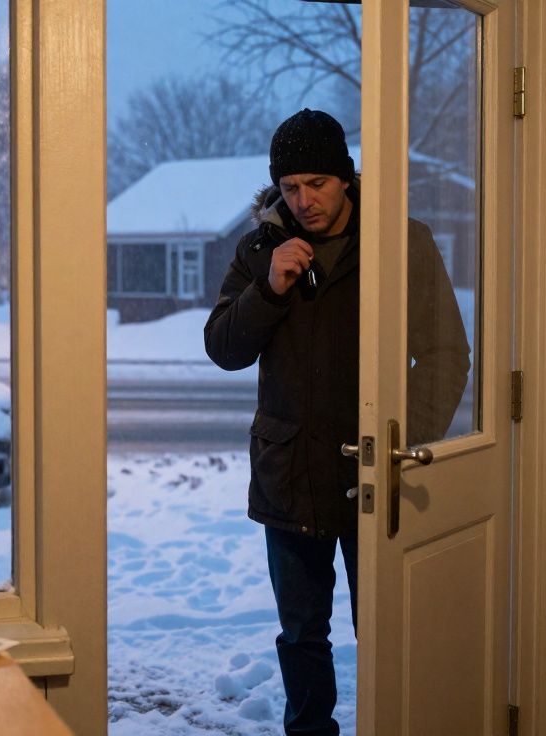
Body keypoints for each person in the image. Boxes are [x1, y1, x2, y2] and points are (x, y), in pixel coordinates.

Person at [204, 108, 469, 735]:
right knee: (300, 632)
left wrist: (404, 440)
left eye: (317, 184)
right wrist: (269, 287)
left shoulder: (400, 244)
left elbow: (445, 354)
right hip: (288, 473)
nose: (304, 200)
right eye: (290, 187)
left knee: (382, 629)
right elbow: (224, 348)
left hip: (372, 474)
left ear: (345, 178)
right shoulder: (260, 249)